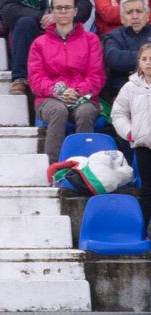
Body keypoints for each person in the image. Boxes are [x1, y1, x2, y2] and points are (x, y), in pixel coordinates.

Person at [29, 1, 106, 164]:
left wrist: (76, 91)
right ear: (52, 12)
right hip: (49, 98)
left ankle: (83, 168)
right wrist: (59, 91)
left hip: (83, 96)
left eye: (67, 7)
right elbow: (36, 79)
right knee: (58, 111)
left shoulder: (91, 40)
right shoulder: (39, 43)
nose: (63, 11)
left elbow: (96, 76)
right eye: (58, 8)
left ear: (75, 11)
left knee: (85, 113)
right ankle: (54, 166)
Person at [112, 42, 151, 227]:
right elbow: (118, 113)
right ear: (139, 63)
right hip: (144, 146)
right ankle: (146, 229)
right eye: (144, 59)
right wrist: (130, 133)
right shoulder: (131, 87)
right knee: (147, 191)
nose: (148, 62)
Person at [103, 0, 151, 101]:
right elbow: (114, 60)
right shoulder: (112, 37)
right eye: (129, 12)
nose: (135, 16)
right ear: (121, 18)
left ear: (147, 15)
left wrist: (129, 62)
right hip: (124, 93)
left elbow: (122, 60)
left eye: (139, 11)